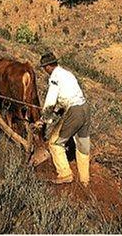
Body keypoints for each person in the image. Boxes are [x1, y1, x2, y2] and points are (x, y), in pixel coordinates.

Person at [37, 51, 90, 185]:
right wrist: (57, 110)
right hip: (85, 109)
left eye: (44, 68)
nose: (45, 71)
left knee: (55, 143)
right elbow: (67, 96)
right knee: (82, 146)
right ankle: (85, 180)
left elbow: (50, 101)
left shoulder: (54, 77)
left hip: (74, 111)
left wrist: (43, 120)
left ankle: (65, 174)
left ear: (48, 66)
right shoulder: (68, 74)